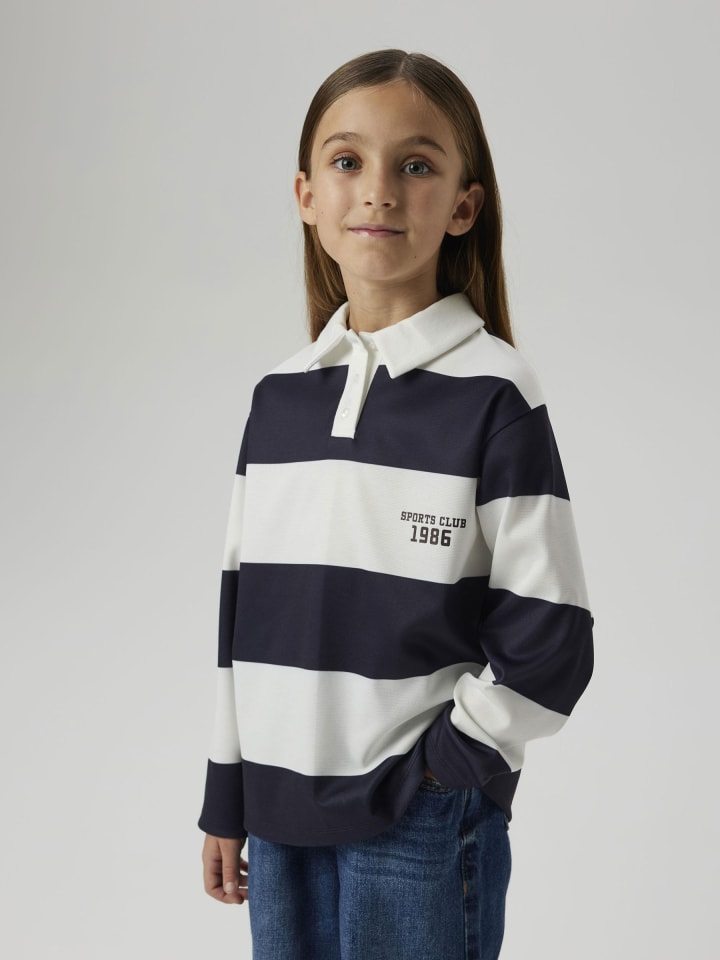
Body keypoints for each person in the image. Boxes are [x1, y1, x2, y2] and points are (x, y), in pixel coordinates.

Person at [199, 49, 593, 960]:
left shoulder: (495, 394)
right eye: (347, 161)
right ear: (306, 195)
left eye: (416, 164)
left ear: (463, 205)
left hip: (418, 821)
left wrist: (443, 771)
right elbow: (242, 615)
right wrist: (227, 793)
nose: (378, 189)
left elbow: (552, 635)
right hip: (278, 816)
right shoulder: (279, 398)